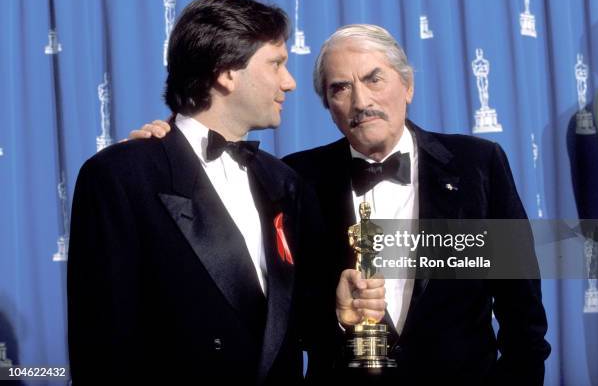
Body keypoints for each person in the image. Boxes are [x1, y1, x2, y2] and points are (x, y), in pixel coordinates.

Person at [134, 24, 551, 384]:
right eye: (340, 88)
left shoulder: (478, 164)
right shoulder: (290, 178)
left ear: (407, 85)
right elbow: (279, 308)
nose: (361, 102)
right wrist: (164, 150)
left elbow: (522, 308)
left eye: (374, 79)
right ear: (328, 106)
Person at [67, 0, 385, 385]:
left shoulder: (282, 181)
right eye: (277, 64)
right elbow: (103, 345)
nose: (290, 82)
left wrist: (335, 314)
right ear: (227, 72)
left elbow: (285, 322)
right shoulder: (122, 176)